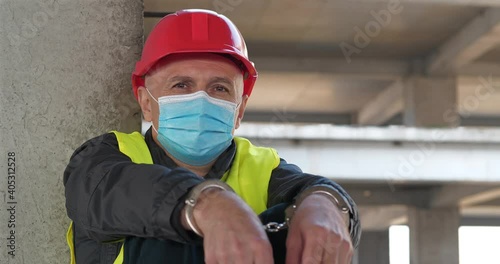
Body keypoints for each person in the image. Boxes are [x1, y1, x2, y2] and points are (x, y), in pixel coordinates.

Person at [64, 9, 361, 264]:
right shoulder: (106, 161)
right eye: (181, 85)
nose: (201, 99)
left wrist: (326, 203)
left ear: (239, 107)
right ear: (145, 102)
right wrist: (205, 203)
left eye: (220, 88)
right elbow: (106, 191)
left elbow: (310, 190)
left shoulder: (263, 167)